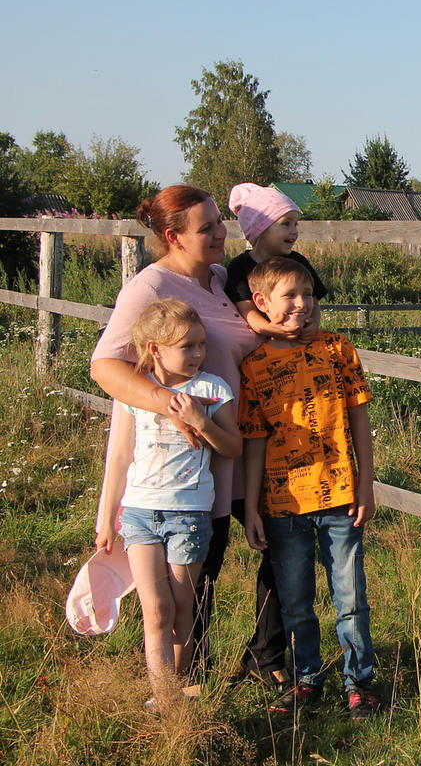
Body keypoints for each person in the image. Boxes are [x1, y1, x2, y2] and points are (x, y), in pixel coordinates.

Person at [90, 185, 291, 691]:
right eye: (206, 228)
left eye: (220, 221)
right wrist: (172, 407)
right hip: (193, 464)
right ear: (171, 237)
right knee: (195, 582)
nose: (222, 232)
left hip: (243, 445)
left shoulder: (223, 280)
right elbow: (105, 367)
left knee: (280, 554)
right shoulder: (150, 287)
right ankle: (182, 690)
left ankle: (264, 660)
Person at [238, 257, 379, 718]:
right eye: (291, 296)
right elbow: (254, 441)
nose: (304, 304)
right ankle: (307, 679)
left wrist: (366, 482)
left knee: (350, 596)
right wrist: (255, 506)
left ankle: (359, 681)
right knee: (296, 600)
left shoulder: (338, 349)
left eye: (310, 294)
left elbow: (359, 416)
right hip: (282, 504)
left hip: (340, 497)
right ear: (261, 303)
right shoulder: (253, 366)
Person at [94, 300, 242, 710]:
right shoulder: (135, 391)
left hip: (190, 517)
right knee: (154, 609)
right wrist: (107, 517)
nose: (198, 354)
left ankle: (185, 690)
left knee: (181, 606)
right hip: (139, 513)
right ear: (156, 349)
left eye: (201, 345)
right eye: (187, 346)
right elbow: (120, 455)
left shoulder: (213, 390)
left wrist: (202, 422)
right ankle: (163, 700)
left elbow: (233, 446)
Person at [226, 183, 327, 337]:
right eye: (286, 224)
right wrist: (270, 329)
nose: (294, 231)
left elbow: (313, 301)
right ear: (260, 229)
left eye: (295, 224)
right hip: (261, 346)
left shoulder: (298, 262)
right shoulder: (240, 267)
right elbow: (247, 310)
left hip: (300, 342)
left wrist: (313, 325)